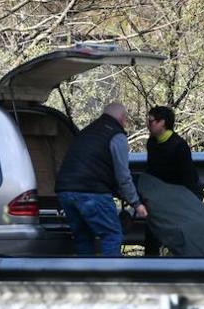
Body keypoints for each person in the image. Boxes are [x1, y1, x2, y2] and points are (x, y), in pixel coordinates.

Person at [55, 102, 148, 256]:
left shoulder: (87, 132)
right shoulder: (116, 135)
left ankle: (87, 277)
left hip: (65, 191)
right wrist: (136, 204)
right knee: (112, 235)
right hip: (91, 192)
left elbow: (94, 166)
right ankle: (110, 277)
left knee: (83, 237)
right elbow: (123, 176)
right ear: (123, 118)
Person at [145, 105, 203, 201]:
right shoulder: (152, 143)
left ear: (162, 122)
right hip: (163, 194)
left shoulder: (179, 146)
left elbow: (188, 178)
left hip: (181, 196)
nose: (148, 125)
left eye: (151, 122)